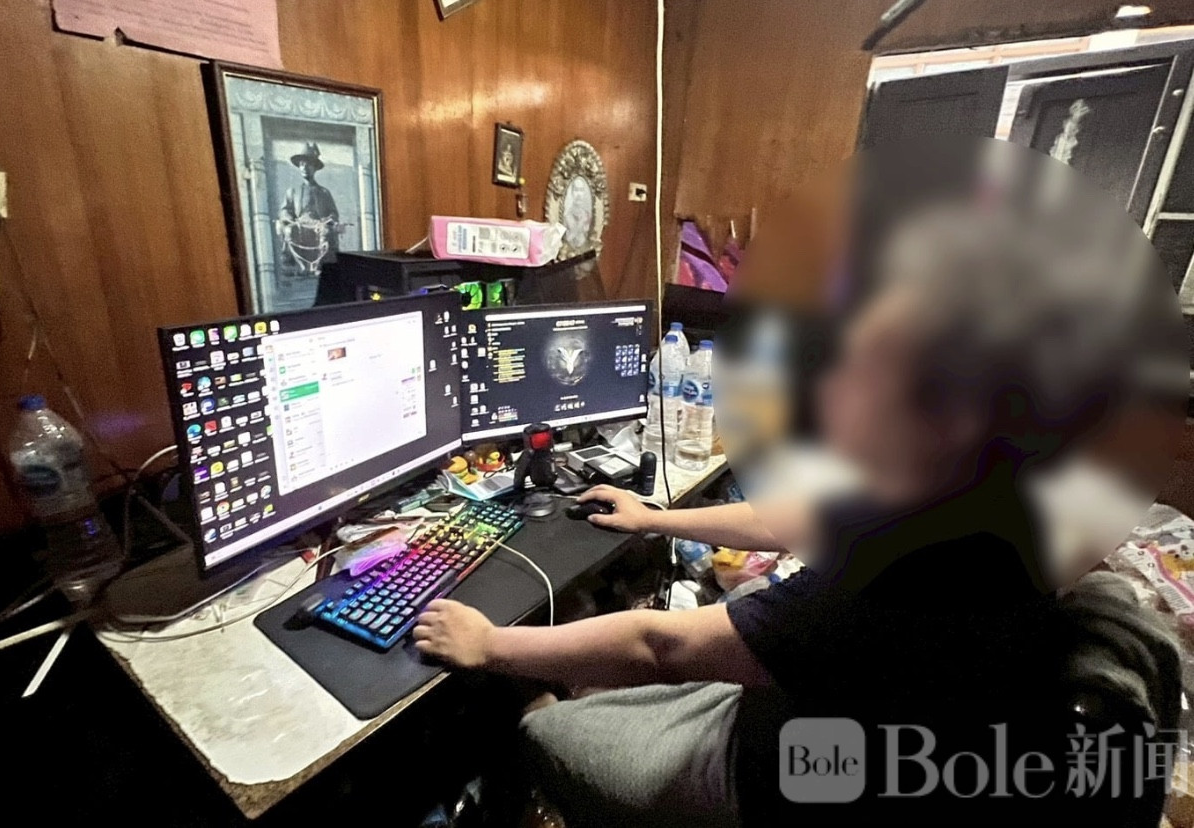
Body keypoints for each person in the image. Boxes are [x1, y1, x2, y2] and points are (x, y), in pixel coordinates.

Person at [412, 155, 1184, 827]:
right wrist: (659, 518)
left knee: (546, 726)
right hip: (851, 730)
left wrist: (492, 646)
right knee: (654, 644)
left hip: (793, 773)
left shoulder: (902, 579)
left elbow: (662, 647)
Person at [276, 142, 341, 273]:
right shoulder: (292, 191)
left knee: (325, 232)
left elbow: (333, 213)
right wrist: (288, 218)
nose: (304, 168)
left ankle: (319, 265)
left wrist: (328, 220)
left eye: (308, 164)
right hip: (300, 224)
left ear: (314, 167)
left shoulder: (324, 192)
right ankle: (298, 266)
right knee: (289, 230)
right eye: (302, 164)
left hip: (318, 224)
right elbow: (285, 210)